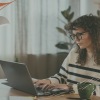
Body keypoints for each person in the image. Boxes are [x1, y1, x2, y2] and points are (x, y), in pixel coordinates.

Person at [33, 14, 100, 96]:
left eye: (80, 35)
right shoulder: (75, 52)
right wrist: (48, 81)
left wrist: (71, 88)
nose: (76, 40)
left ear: (95, 33)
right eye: (74, 36)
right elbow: (62, 77)